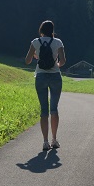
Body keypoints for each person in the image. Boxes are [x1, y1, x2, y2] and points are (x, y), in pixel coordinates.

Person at [25, 20, 66, 151]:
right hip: (55, 77)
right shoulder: (58, 42)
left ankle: (45, 142)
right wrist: (56, 65)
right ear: (52, 30)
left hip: (40, 76)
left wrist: (37, 57)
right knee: (54, 109)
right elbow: (63, 61)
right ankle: (54, 139)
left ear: (41, 30)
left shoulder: (35, 42)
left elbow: (27, 61)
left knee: (44, 110)